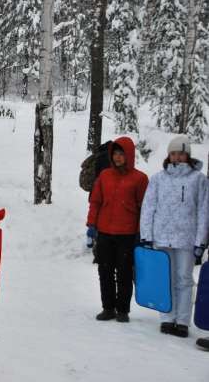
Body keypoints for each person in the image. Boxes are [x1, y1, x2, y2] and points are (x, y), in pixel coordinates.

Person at [139, 135, 208, 338]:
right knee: (165, 279)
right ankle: (167, 319)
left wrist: (200, 241)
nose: (177, 157)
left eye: (181, 153)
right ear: (169, 156)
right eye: (173, 153)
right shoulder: (158, 179)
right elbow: (148, 207)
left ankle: (183, 321)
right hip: (161, 237)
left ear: (187, 155)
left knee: (184, 279)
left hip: (186, 239)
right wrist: (146, 235)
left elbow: (204, 211)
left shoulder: (199, 180)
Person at [87, 136, 148, 323]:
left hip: (127, 234)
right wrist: (91, 225)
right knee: (104, 271)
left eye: (121, 154)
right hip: (105, 231)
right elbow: (96, 201)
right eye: (115, 154)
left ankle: (122, 310)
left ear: (129, 155)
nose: (118, 157)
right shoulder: (105, 176)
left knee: (124, 273)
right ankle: (108, 308)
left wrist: (141, 233)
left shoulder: (140, 178)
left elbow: (143, 207)